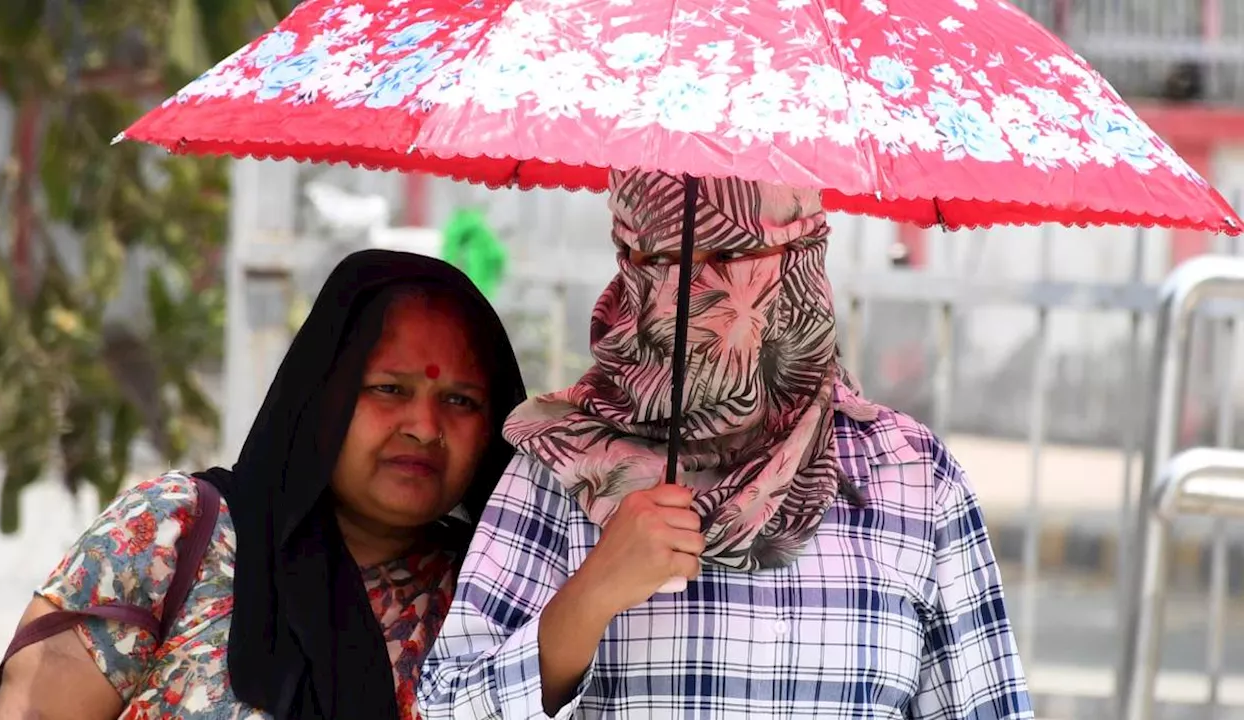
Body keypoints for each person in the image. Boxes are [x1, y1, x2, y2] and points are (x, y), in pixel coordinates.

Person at [419, 170, 1035, 719]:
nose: (686, 290)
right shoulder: (561, 465)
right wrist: (593, 594)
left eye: (732, 253)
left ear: (800, 255)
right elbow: (446, 706)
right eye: (655, 256)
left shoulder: (908, 475)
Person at [0, 250, 526, 719]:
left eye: (461, 401)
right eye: (388, 388)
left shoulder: (498, 596)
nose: (425, 428)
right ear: (320, 397)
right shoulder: (170, 535)